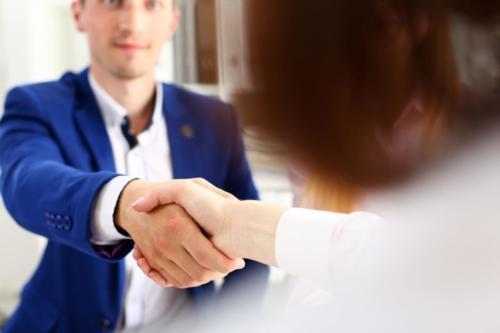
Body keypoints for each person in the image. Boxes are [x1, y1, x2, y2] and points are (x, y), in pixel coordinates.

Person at [130, 0, 500, 331]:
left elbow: (411, 271)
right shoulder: (323, 141)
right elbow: (360, 253)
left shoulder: (462, 146)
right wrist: (231, 222)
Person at [0, 0, 268, 332]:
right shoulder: (35, 104)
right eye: (113, 2)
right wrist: (124, 204)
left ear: (172, 22)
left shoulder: (216, 118)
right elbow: (26, 183)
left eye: (152, 4)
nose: (132, 22)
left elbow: (252, 242)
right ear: (78, 13)